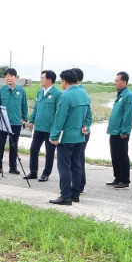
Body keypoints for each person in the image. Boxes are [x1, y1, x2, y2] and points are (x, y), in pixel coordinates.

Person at [48, 69, 92, 205]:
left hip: (66, 138)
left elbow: (59, 118)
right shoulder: (84, 94)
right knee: (76, 165)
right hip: (79, 137)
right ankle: (75, 194)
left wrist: (54, 136)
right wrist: (85, 125)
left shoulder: (66, 96)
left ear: (64, 81)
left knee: (64, 166)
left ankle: (65, 196)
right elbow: (89, 115)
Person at [25, 70, 61, 181]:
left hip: (50, 129)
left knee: (49, 152)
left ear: (49, 80)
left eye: (42, 78)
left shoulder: (57, 94)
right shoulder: (40, 92)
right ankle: (33, 172)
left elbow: (59, 113)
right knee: (33, 149)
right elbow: (36, 108)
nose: (40, 80)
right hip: (39, 128)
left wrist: (55, 129)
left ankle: (46, 174)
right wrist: (31, 121)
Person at [0, 68, 28, 175]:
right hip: (3, 122)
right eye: (7, 76)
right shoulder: (0, 91)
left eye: (12, 76)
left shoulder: (21, 91)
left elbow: (24, 106)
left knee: (14, 145)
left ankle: (13, 167)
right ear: (5, 78)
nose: (9, 78)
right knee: (0, 145)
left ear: (15, 78)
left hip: (16, 122)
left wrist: (25, 119)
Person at [105, 71, 132, 189]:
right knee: (115, 155)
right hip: (114, 130)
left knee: (122, 155)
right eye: (115, 80)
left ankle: (124, 179)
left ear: (124, 82)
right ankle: (117, 177)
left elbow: (128, 115)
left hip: (121, 132)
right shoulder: (120, 95)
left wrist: (125, 131)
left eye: (117, 81)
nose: (115, 83)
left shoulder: (129, 95)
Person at [71, 67, 91, 192]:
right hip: (80, 130)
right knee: (78, 158)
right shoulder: (80, 92)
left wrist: (85, 126)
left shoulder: (79, 93)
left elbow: (88, 114)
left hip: (79, 131)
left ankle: (78, 185)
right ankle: (78, 184)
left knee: (77, 159)